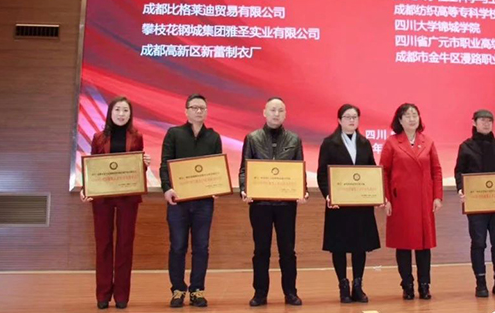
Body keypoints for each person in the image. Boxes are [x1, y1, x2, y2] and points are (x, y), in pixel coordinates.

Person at [80, 96, 150, 310]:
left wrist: (144, 164)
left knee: (125, 245)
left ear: (130, 114)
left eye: (125, 110)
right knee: (103, 244)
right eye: (118, 109)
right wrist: (86, 188)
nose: (121, 114)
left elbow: (136, 168)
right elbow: (92, 168)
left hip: (128, 198)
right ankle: (102, 294)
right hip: (103, 199)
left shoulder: (137, 137)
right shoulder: (98, 137)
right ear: (110, 112)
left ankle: (121, 295)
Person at [239, 97, 307, 307]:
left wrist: (302, 190)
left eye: (280, 110)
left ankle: (291, 292)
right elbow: (244, 170)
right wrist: (244, 189)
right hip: (260, 205)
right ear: (264, 112)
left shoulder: (294, 139)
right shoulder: (252, 138)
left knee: (288, 251)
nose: (276, 114)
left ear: (285, 114)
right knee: (261, 251)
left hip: (286, 205)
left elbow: (299, 169)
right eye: (272, 110)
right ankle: (260, 293)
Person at [159, 94, 223, 308]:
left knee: (201, 247)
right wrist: (167, 188)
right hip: (178, 201)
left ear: (207, 111)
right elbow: (165, 164)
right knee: (178, 246)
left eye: (202, 108)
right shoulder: (174, 134)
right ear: (186, 111)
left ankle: (197, 290)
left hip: (203, 202)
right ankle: (178, 290)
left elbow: (216, 168)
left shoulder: (214, 137)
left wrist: (217, 186)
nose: (198, 111)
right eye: (194, 107)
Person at [316, 104, 381, 303]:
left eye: (355, 117)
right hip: (338, 205)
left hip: (361, 204)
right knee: (339, 246)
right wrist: (328, 195)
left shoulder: (364, 143)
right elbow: (322, 174)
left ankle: (358, 286)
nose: (352, 120)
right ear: (339, 120)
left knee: (360, 246)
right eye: (347, 117)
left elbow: (372, 171)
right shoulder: (329, 143)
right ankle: (343, 286)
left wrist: (376, 194)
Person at [454, 109, 495, 298]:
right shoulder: (466, 147)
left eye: (489, 120)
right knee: (478, 242)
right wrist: (461, 189)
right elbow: (459, 172)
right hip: (476, 204)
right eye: (482, 120)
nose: (486, 123)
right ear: (474, 123)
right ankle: (480, 283)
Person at [380, 103, 443, 301]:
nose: (412, 118)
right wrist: (386, 198)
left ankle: (425, 285)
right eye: (407, 115)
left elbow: (436, 170)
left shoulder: (428, 141)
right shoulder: (392, 142)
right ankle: (407, 285)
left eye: (415, 114)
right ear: (399, 120)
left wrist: (437, 196)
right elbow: (383, 172)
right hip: (401, 201)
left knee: (424, 246)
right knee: (404, 244)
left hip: (424, 200)